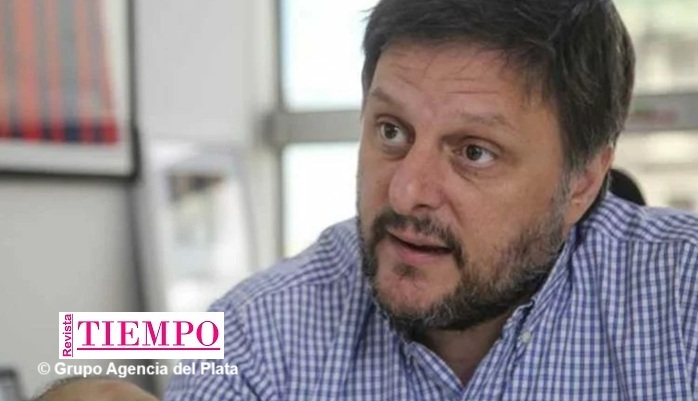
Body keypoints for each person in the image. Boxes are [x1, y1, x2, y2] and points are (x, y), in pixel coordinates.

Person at [41, 0, 698, 399]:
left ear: (583, 180)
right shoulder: (253, 342)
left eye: (474, 151)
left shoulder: (682, 304)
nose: (407, 190)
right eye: (391, 132)